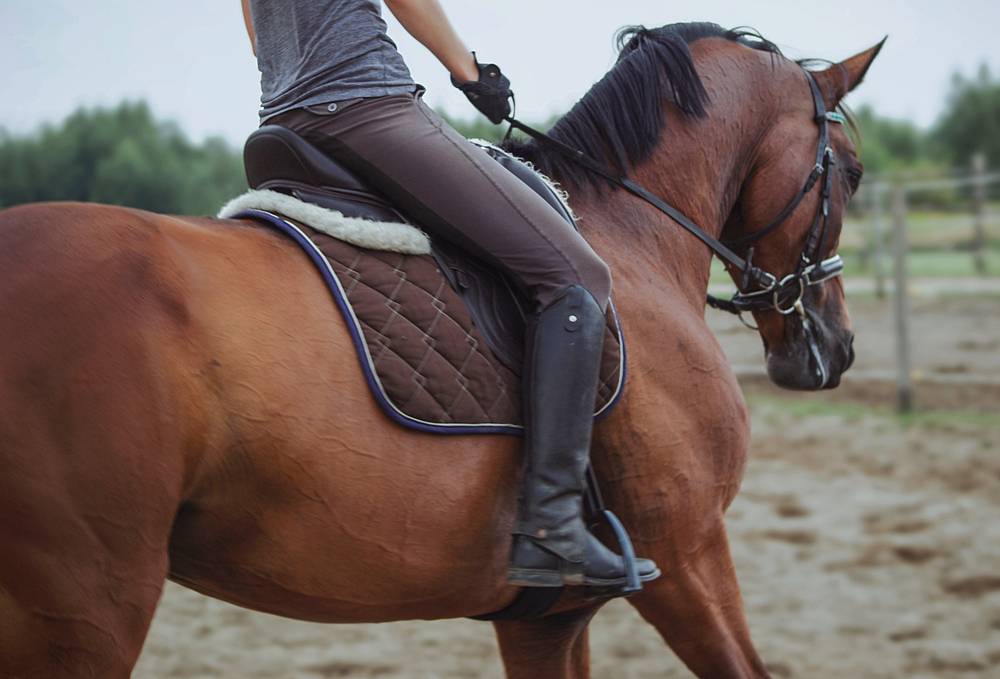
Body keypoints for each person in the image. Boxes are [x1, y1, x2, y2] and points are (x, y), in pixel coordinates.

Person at [240, 0, 659, 594]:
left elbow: (261, 39)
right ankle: (553, 526)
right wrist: (471, 72)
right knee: (572, 277)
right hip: (365, 106)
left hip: (283, 121)